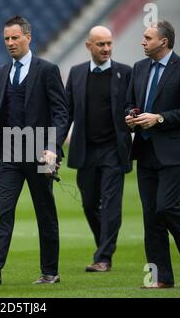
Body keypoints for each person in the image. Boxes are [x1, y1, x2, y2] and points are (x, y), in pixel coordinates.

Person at [0, 16, 68, 285]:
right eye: (6, 39)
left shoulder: (47, 69)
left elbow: (61, 113)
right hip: (8, 153)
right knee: (3, 211)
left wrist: (52, 148)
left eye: (15, 38)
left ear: (28, 38)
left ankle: (50, 272)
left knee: (45, 212)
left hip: (40, 153)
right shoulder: (3, 71)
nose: (10, 43)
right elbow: (6, 110)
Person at [125, 20, 180, 288]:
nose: (142, 42)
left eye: (147, 38)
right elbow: (130, 103)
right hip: (145, 150)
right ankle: (161, 279)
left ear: (164, 42)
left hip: (174, 150)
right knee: (151, 216)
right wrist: (131, 116)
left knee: (166, 206)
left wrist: (159, 118)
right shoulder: (139, 68)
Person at [65, 26, 132, 272]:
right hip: (86, 151)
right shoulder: (76, 73)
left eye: (109, 43)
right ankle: (103, 248)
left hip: (114, 150)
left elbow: (132, 106)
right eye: (101, 44)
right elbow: (67, 114)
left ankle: (103, 257)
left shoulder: (126, 73)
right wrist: (54, 146)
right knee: (90, 204)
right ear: (88, 46)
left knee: (111, 203)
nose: (106, 48)